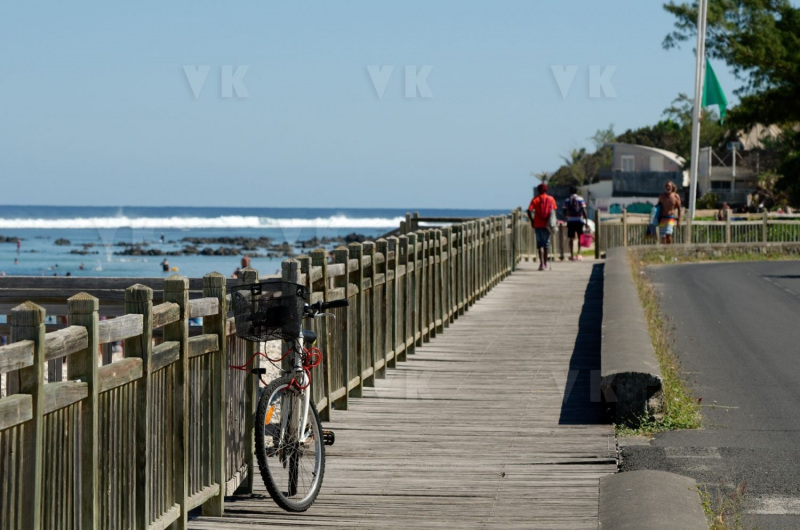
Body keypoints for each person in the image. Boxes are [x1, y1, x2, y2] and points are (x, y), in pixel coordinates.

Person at [527, 183, 558, 270]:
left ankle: (541, 264)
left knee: (540, 244)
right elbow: (554, 211)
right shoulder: (551, 199)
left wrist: (532, 220)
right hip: (548, 224)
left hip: (538, 224)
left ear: (538, 190)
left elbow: (529, 210)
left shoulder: (535, 199)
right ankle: (546, 263)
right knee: (546, 244)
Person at [562, 185, 588, 261]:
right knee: (580, 237)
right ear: (577, 191)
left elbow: (564, 211)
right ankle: (579, 254)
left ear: (570, 192)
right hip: (579, 220)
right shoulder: (580, 199)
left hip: (570, 220)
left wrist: (567, 217)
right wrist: (585, 221)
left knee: (571, 238)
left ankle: (572, 255)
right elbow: (584, 210)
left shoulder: (567, 200)